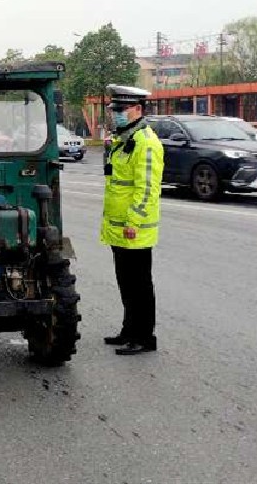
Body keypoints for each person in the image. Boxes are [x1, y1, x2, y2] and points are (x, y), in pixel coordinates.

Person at [100, 85, 164, 356]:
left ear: (138, 109)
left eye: (122, 110)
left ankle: (144, 337)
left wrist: (133, 222)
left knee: (139, 285)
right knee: (126, 282)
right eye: (115, 110)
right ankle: (129, 330)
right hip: (119, 227)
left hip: (133, 229)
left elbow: (147, 189)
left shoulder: (146, 142)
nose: (116, 115)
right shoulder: (125, 139)